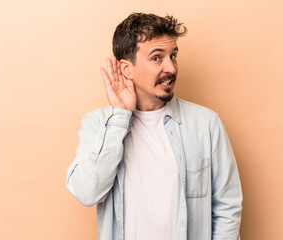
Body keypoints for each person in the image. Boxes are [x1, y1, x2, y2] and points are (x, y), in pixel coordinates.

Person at [66, 12, 243, 240]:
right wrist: (120, 116)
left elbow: (227, 207)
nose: (171, 68)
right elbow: (86, 192)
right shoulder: (98, 124)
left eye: (173, 56)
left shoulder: (206, 124)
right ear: (126, 69)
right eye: (157, 58)